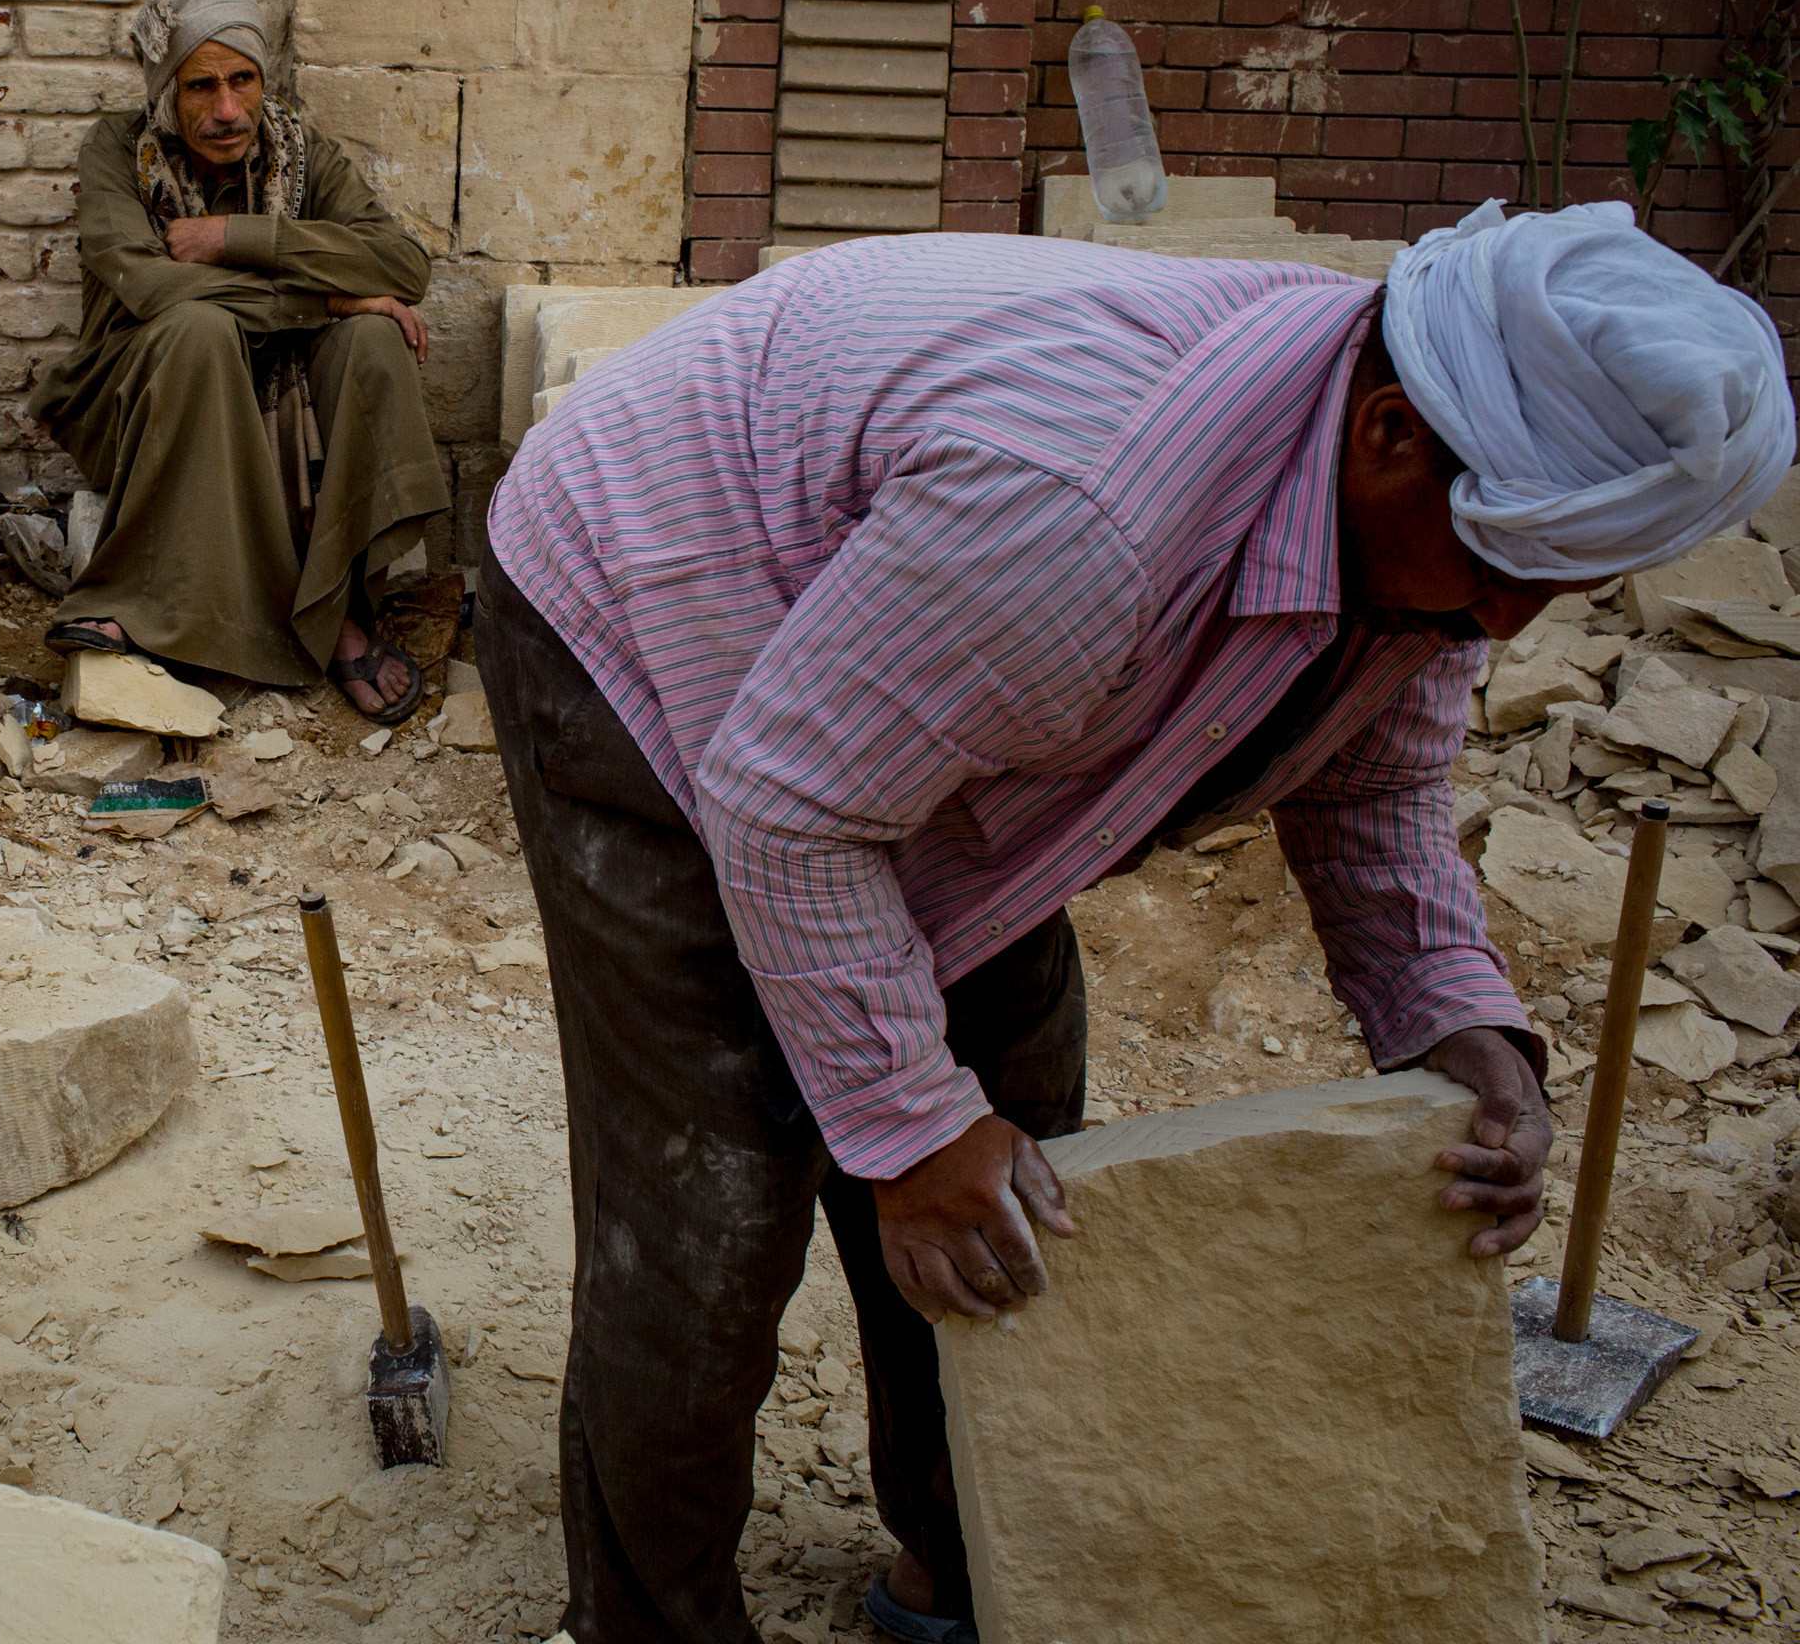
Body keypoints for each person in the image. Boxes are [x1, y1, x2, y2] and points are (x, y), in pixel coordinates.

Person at [480, 201, 1794, 1644]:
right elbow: (790, 811)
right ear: (1389, 438)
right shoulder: (1083, 517)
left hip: (913, 654)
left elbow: (1373, 782)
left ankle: (967, 1573)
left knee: (1020, 1157)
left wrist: (1455, 1018)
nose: (1510, 624)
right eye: (1505, 574)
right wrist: (908, 1127)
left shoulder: (1420, 528)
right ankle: (650, 1623)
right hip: (661, 589)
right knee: (713, 1198)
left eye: (1554, 587)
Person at [28, 0, 448, 721]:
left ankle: (337, 608)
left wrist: (239, 238)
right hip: (145, 390)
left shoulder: (298, 151)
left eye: (244, 82)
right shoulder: (119, 151)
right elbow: (150, 288)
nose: (228, 109)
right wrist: (326, 294)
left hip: (286, 384)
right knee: (197, 330)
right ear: (166, 90)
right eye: (202, 87)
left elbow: (403, 266)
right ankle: (147, 603)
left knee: (375, 341)